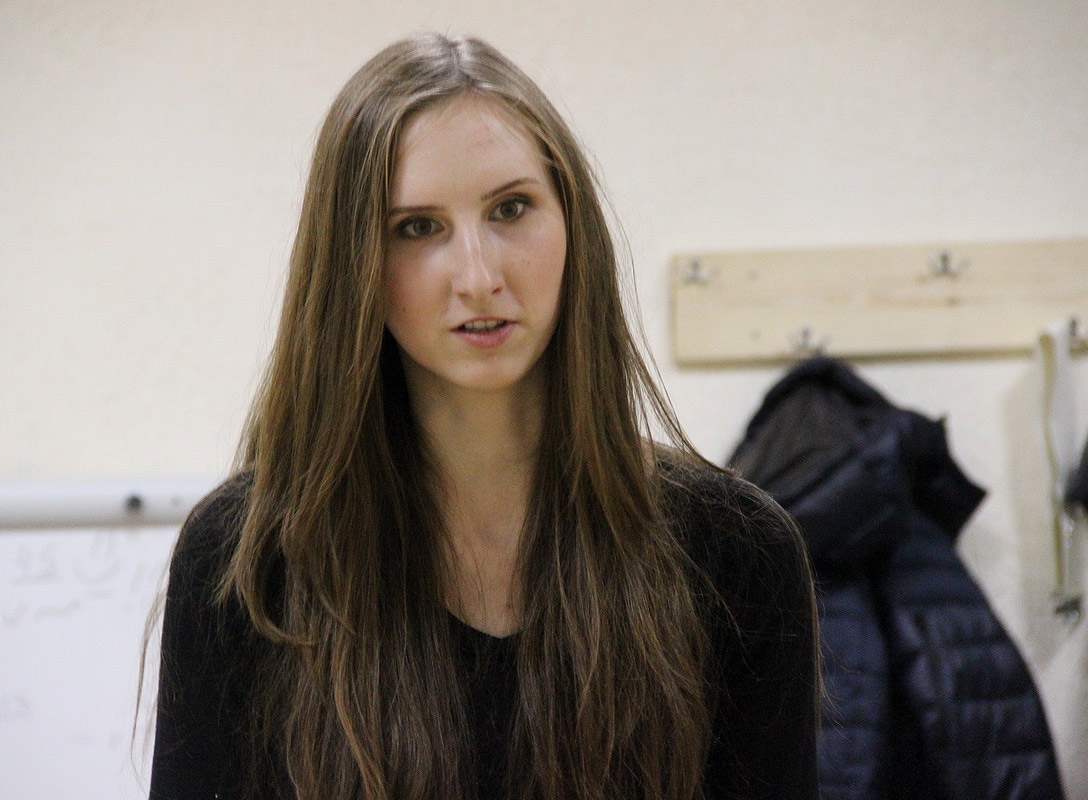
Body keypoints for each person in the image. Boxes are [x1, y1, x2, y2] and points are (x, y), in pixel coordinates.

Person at [150, 32, 819, 800]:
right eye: (417, 227)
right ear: (351, 266)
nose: (477, 276)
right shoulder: (245, 561)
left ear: (572, 225)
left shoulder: (735, 553)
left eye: (511, 208)